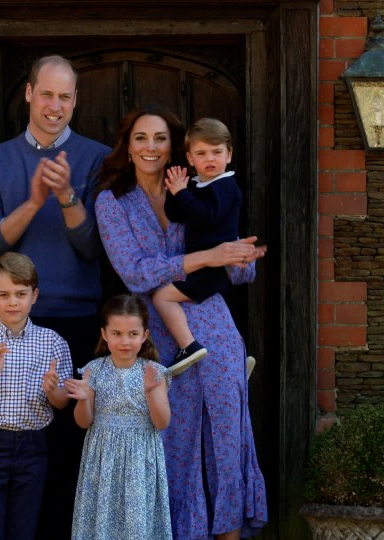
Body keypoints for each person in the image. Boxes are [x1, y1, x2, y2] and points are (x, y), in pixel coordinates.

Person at [94, 103, 268, 539]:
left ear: (176, 149)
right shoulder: (112, 201)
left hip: (214, 322)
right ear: (127, 147)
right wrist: (208, 256)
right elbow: (134, 272)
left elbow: (237, 266)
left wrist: (240, 256)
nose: (151, 147)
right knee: (173, 443)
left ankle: (229, 533)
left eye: (160, 138)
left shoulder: (199, 186)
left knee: (228, 439)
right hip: (157, 335)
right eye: (141, 138)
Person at [0, 54, 111, 537]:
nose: (55, 106)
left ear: (76, 101)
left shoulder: (98, 159)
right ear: (28, 93)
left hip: (74, 320)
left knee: (68, 450)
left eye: (65, 96)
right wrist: (33, 202)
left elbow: (95, 248)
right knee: (4, 450)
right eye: (46, 94)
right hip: (8, 323)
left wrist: (68, 196)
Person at [0, 252, 73, 540]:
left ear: (35, 295)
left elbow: (62, 402)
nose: (13, 302)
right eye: (4, 294)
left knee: (24, 526)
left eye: (21, 293)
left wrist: (52, 390)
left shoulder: (52, 342)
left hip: (33, 445)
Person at [65, 294, 173, 540]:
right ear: (104, 334)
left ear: (144, 335)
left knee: (137, 523)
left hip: (139, 458)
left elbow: (162, 422)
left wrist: (151, 393)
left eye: (133, 334)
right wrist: (83, 399)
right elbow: (83, 422)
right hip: (102, 458)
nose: (125, 341)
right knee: (102, 519)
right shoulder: (94, 370)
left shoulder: (154, 372)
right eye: (117, 333)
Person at [155, 118, 243, 376]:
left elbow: (207, 217)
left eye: (217, 152)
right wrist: (175, 191)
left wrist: (183, 194)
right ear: (191, 159)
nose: (210, 159)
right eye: (202, 153)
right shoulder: (197, 184)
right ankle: (230, 362)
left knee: (162, 297)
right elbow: (176, 214)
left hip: (212, 268)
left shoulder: (226, 186)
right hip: (200, 265)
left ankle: (188, 346)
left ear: (229, 155)